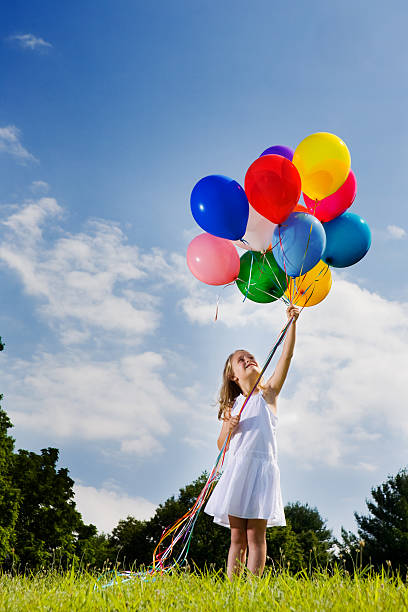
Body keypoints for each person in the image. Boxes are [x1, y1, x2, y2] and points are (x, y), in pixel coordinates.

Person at [204, 305, 300, 579]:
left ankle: (253, 588)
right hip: (238, 470)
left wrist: (292, 323)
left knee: (255, 535)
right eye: (240, 359)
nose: (248, 359)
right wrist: (230, 428)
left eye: (250, 356)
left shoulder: (268, 393)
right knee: (237, 537)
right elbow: (221, 444)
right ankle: (234, 588)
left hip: (262, 470)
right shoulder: (232, 406)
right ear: (233, 376)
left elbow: (287, 355)